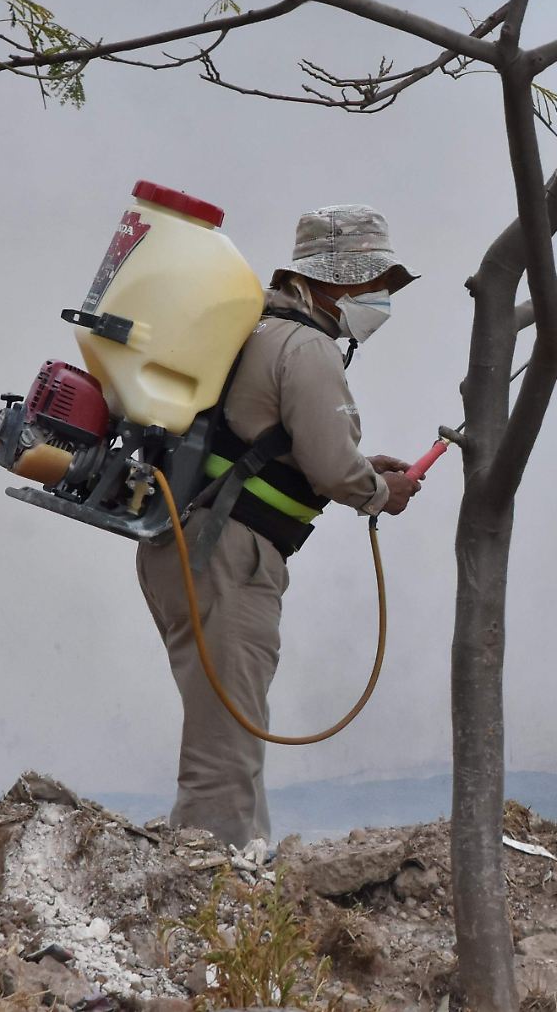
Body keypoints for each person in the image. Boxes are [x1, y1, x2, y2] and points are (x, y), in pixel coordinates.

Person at [136, 204, 422, 848]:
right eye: (372, 281)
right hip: (228, 554)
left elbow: (271, 441)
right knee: (227, 746)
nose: (378, 297)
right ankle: (217, 897)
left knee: (225, 731)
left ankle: (228, 876)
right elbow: (331, 466)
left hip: (184, 544)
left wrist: (353, 468)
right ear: (336, 279)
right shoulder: (307, 345)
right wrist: (380, 490)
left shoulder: (256, 329)